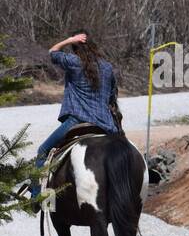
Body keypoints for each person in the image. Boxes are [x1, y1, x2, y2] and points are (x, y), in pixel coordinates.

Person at [28, 32, 122, 200]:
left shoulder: (73, 62)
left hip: (77, 121)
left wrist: (69, 40)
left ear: (75, 47)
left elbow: (52, 52)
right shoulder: (107, 67)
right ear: (93, 45)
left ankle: (36, 196)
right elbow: (111, 98)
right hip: (106, 125)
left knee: (42, 151)